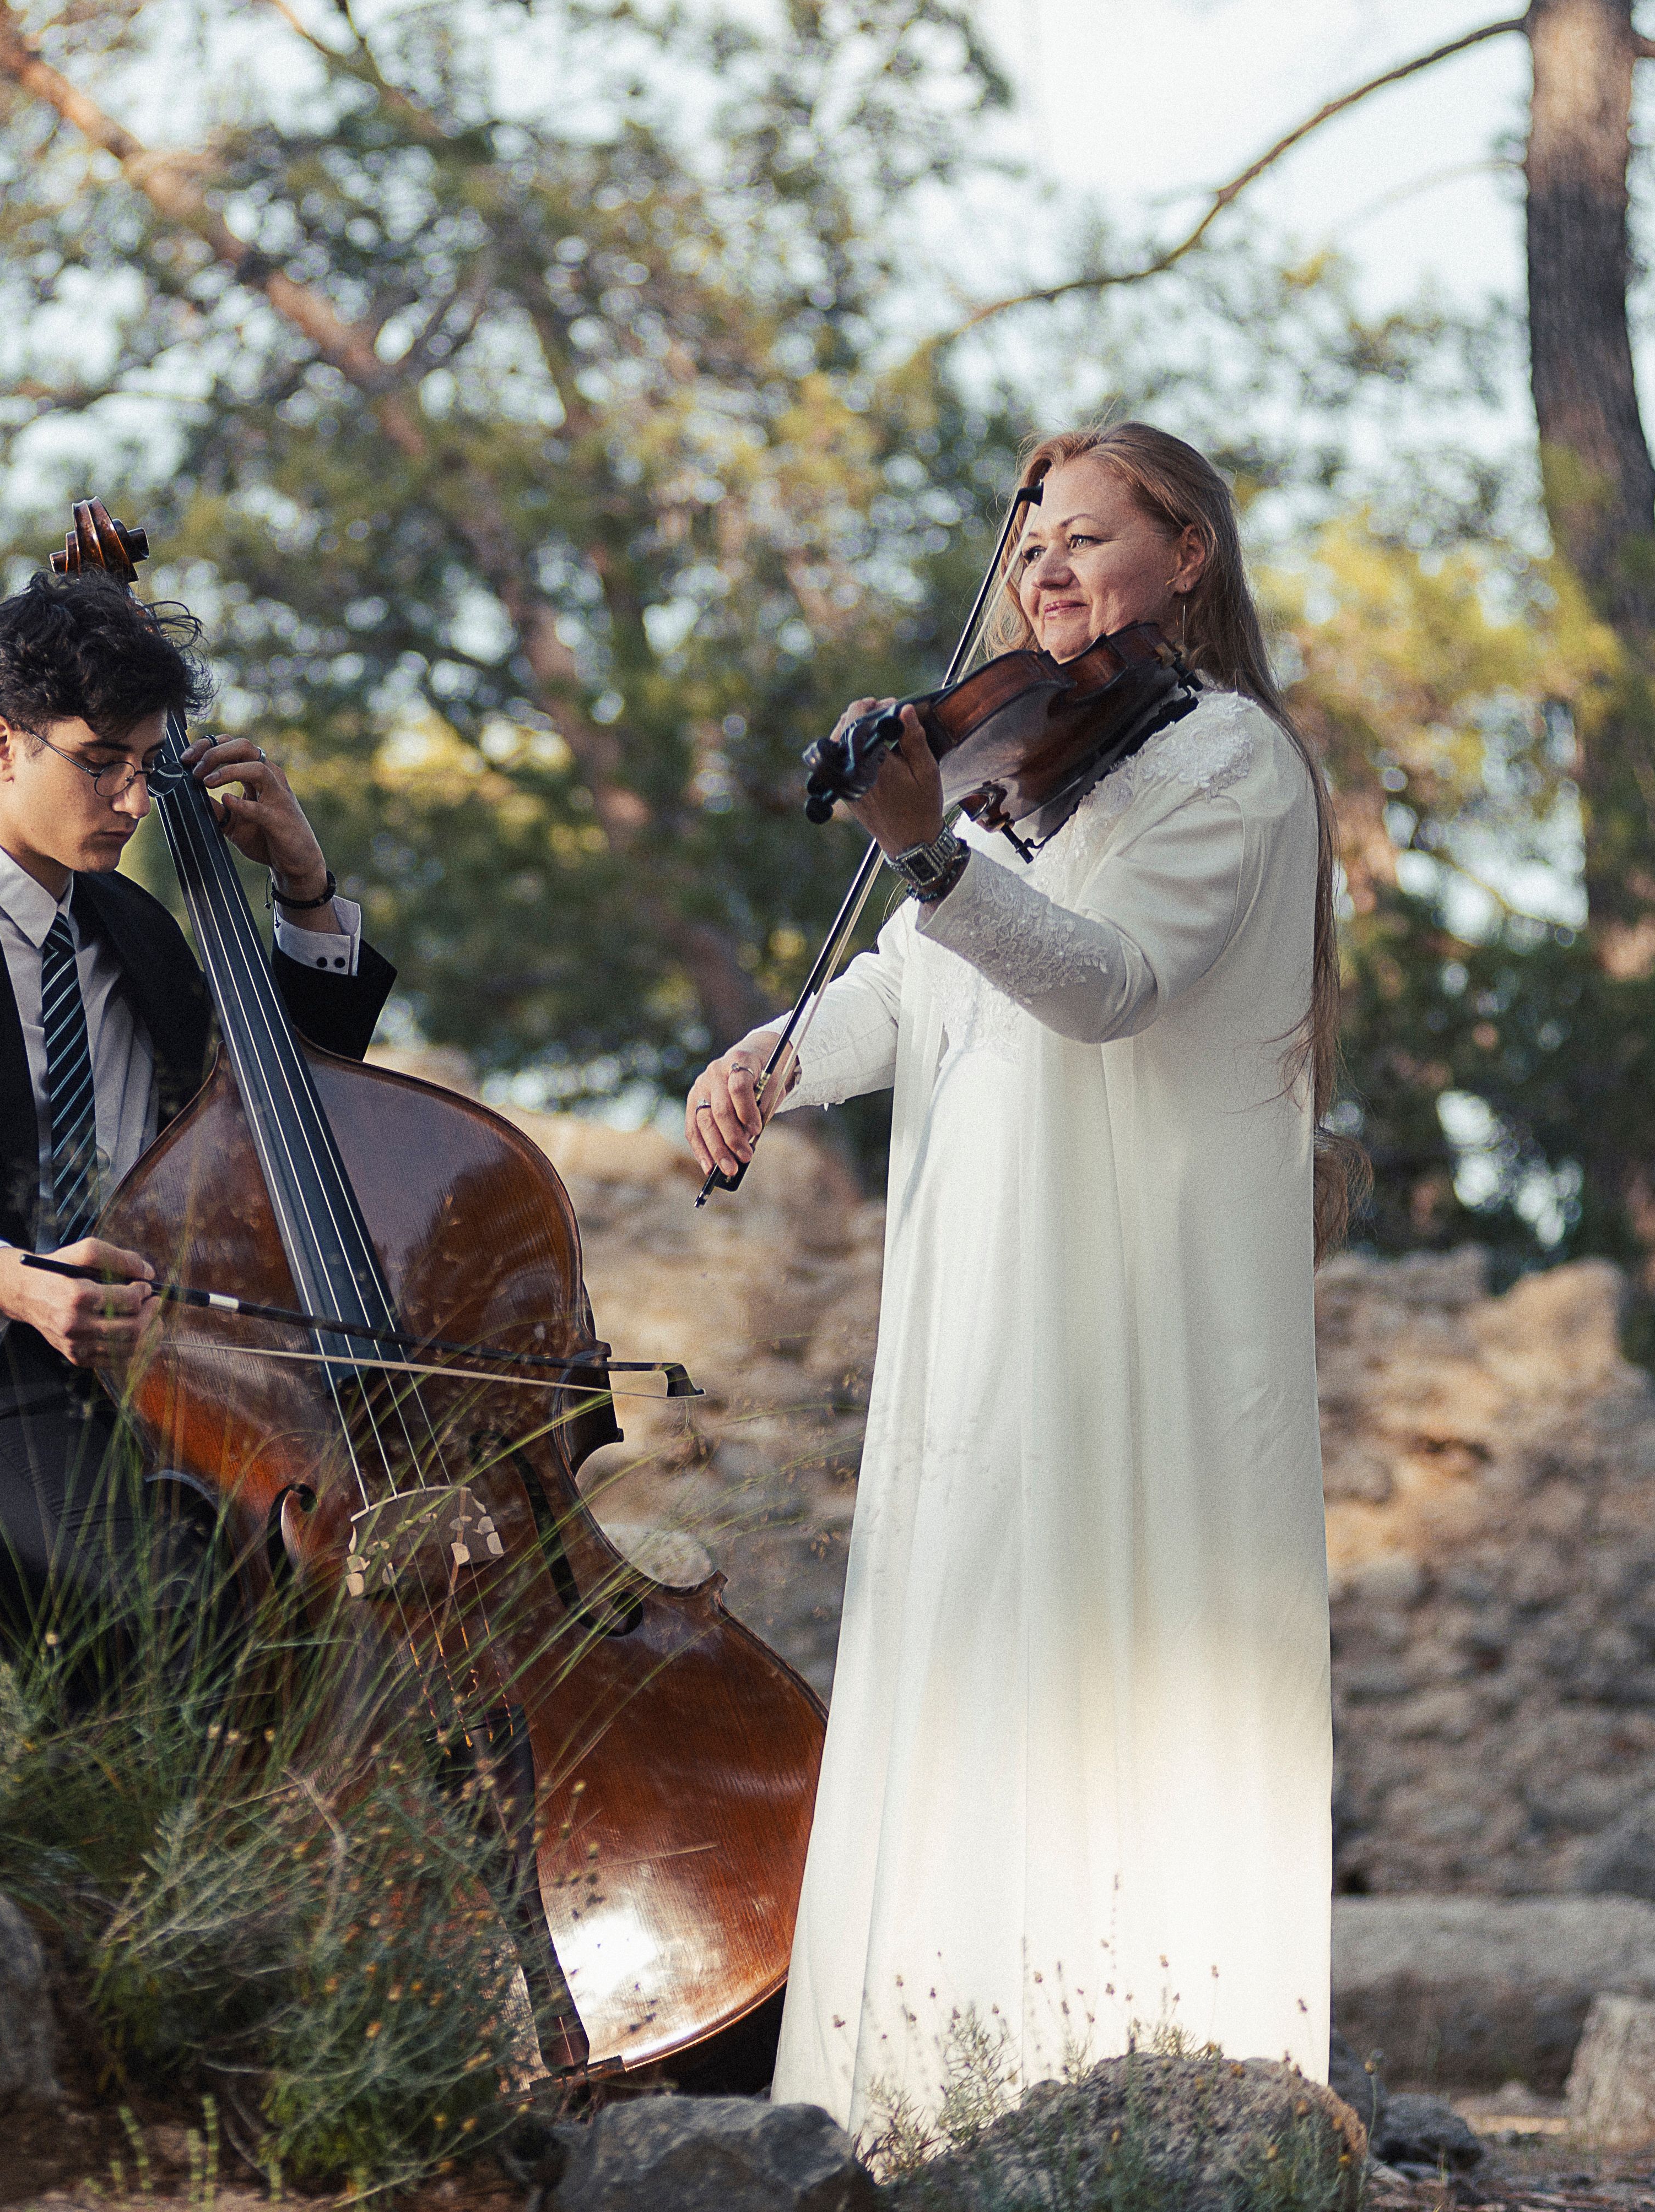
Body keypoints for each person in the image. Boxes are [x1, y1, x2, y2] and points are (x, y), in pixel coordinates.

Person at [686, 423, 1344, 2129]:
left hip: (1127, 1294)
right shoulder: (1017, 770)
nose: (1044, 569)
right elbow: (916, 994)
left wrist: (927, 854)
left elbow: (1110, 982)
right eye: (1030, 540)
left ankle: (1139, 2095)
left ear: (1187, 557)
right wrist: (771, 1055)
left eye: (1089, 538)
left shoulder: (1230, 766)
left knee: (1111, 1621)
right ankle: (925, 2091)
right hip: (981, 1289)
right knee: (971, 1623)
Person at [0, 568, 394, 1645]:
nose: (135, 800)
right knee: (188, 1610)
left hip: (133, 1370)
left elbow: (276, 1118)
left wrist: (302, 886)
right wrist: (12, 1279)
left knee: (321, 1607)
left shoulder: (134, 930)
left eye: (149, 765)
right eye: (99, 762)